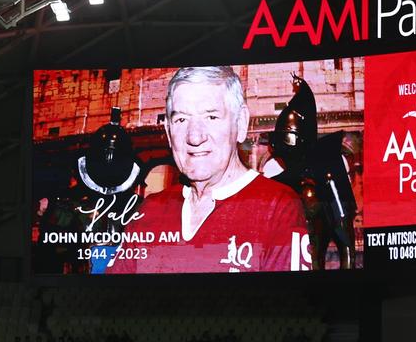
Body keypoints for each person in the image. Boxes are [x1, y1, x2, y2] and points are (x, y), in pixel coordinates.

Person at [109, 65, 307, 274]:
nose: (195, 137)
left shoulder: (278, 207)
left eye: (211, 117)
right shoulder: (150, 211)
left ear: (240, 124)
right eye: (181, 119)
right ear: (168, 133)